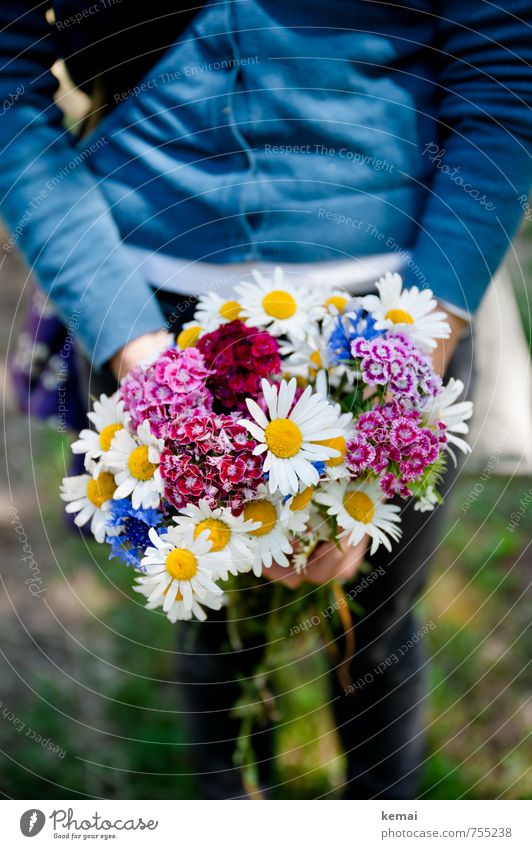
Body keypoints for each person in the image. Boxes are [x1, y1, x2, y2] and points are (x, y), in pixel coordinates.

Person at [1, 1, 531, 799]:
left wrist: (401, 385)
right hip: (151, 314)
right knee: (210, 621)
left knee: (378, 625)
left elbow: (504, 77)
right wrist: (139, 353)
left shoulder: (406, 344)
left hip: (398, 312)